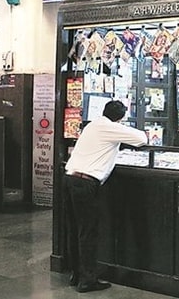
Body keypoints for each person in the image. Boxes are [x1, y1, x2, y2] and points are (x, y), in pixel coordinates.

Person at [63, 100, 147, 293]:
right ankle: (88, 280)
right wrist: (122, 129)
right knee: (88, 232)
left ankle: (75, 274)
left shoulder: (93, 125)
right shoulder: (110, 127)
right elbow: (142, 138)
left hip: (70, 179)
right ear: (119, 118)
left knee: (74, 229)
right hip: (86, 184)